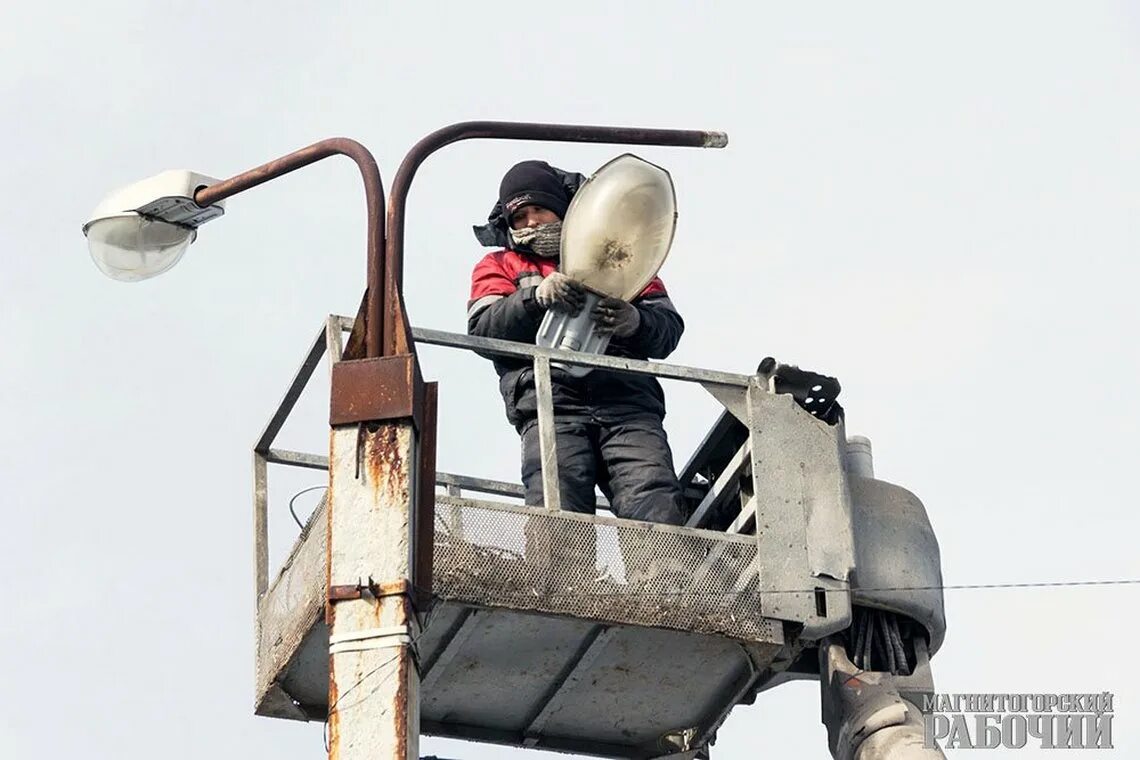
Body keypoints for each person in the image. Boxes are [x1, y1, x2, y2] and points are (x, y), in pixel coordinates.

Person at [467, 160, 690, 528]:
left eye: (538, 208)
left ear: (562, 207)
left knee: (652, 494)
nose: (531, 222)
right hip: (549, 403)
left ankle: (663, 583)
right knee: (558, 501)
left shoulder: (623, 253)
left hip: (627, 403)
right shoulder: (500, 264)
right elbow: (483, 330)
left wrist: (635, 322)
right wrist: (533, 298)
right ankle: (556, 586)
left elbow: (667, 329)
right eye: (520, 216)